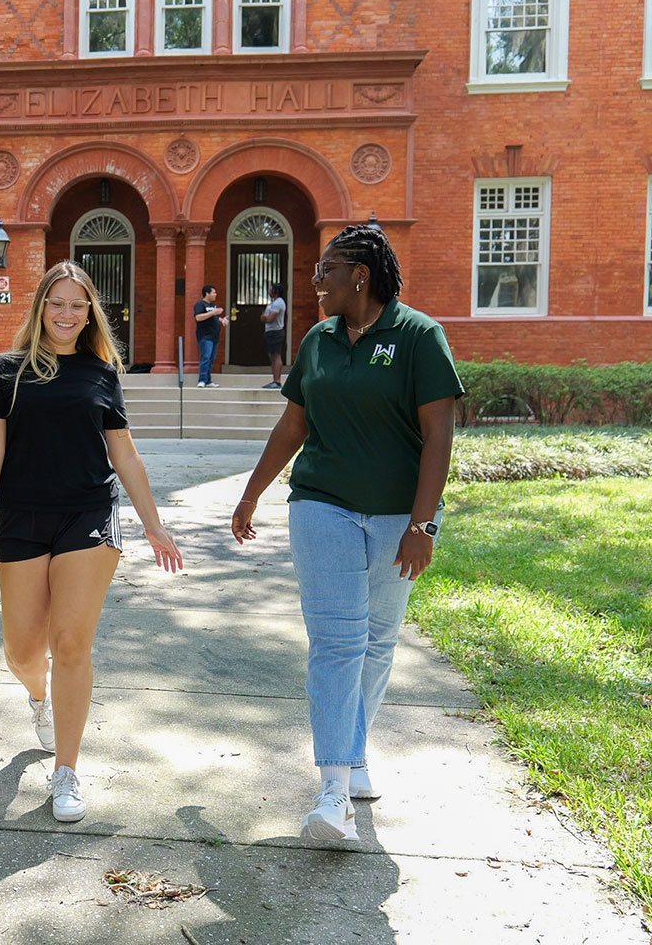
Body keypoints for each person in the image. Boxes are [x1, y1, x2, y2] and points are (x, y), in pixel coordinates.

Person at [228, 224, 462, 842]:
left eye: (325, 270)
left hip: (395, 517)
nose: (314, 281)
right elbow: (293, 423)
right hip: (321, 504)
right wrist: (252, 492)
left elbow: (438, 436)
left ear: (359, 274)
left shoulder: (418, 337)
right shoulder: (318, 340)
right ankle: (334, 793)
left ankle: (355, 755)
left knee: (379, 639)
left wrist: (423, 521)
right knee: (336, 642)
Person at [0, 261, 184, 823]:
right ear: (41, 306)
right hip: (21, 519)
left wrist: (154, 525)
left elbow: (125, 455)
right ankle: (38, 698)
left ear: (90, 312)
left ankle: (66, 770)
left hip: (88, 516)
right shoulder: (7, 371)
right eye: (57, 303)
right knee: (21, 650)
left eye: (78, 304)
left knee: (70, 643)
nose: (67, 314)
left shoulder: (101, 372)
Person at [192, 285, 226, 387]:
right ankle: (202, 380)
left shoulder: (212, 306)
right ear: (207, 293)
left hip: (214, 336)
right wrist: (213, 312)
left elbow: (215, 317)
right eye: (213, 292)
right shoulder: (200, 305)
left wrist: (222, 320)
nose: (215, 295)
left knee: (211, 359)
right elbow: (198, 317)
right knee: (205, 357)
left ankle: (208, 380)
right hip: (205, 336)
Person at [261, 281, 287, 389]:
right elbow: (263, 318)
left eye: (270, 289)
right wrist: (265, 317)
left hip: (276, 332)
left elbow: (270, 318)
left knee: (276, 355)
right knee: (271, 356)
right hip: (269, 332)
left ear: (275, 291)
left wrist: (266, 316)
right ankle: (274, 380)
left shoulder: (279, 303)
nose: (269, 291)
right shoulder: (272, 303)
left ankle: (277, 381)